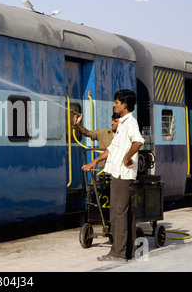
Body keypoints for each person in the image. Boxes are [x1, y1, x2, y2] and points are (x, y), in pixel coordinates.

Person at [81, 90, 144, 261]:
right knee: (125, 213)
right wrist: (94, 162)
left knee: (118, 213)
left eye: (116, 102)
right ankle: (130, 251)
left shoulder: (130, 122)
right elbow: (111, 149)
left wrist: (127, 156)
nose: (114, 105)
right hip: (118, 173)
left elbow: (138, 141)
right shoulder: (122, 124)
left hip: (123, 175)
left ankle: (118, 253)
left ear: (125, 105)